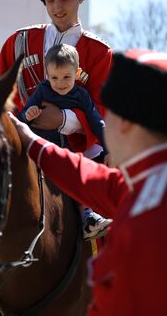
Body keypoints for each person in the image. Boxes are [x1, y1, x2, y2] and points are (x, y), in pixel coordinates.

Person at [9, 49, 167, 315]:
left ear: (126, 123)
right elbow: (103, 184)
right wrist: (32, 142)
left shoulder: (161, 228)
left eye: (110, 115)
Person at [0, 0, 112, 156]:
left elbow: (104, 109)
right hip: (22, 148)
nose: (57, 8)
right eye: (50, 0)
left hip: (80, 156)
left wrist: (63, 119)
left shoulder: (99, 52)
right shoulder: (19, 40)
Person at [20, 43, 111, 239]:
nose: (60, 83)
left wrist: (109, 148)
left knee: (82, 171)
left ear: (77, 73)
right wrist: (29, 114)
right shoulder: (43, 91)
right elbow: (21, 117)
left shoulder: (81, 95)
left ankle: (87, 217)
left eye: (66, 77)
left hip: (71, 147)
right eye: (54, 78)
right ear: (46, 75)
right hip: (45, 146)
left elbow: (97, 122)